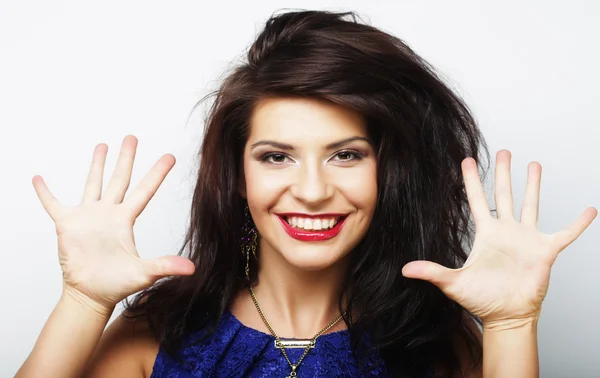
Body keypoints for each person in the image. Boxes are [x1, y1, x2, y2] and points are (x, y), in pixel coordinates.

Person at [16, 10, 596, 378]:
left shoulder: (439, 346)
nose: (313, 191)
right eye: (276, 156)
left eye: (346, 154)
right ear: (237, 175)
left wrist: (513, 326)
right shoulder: (162, 331)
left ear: (388, 172)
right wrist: (84, 304)